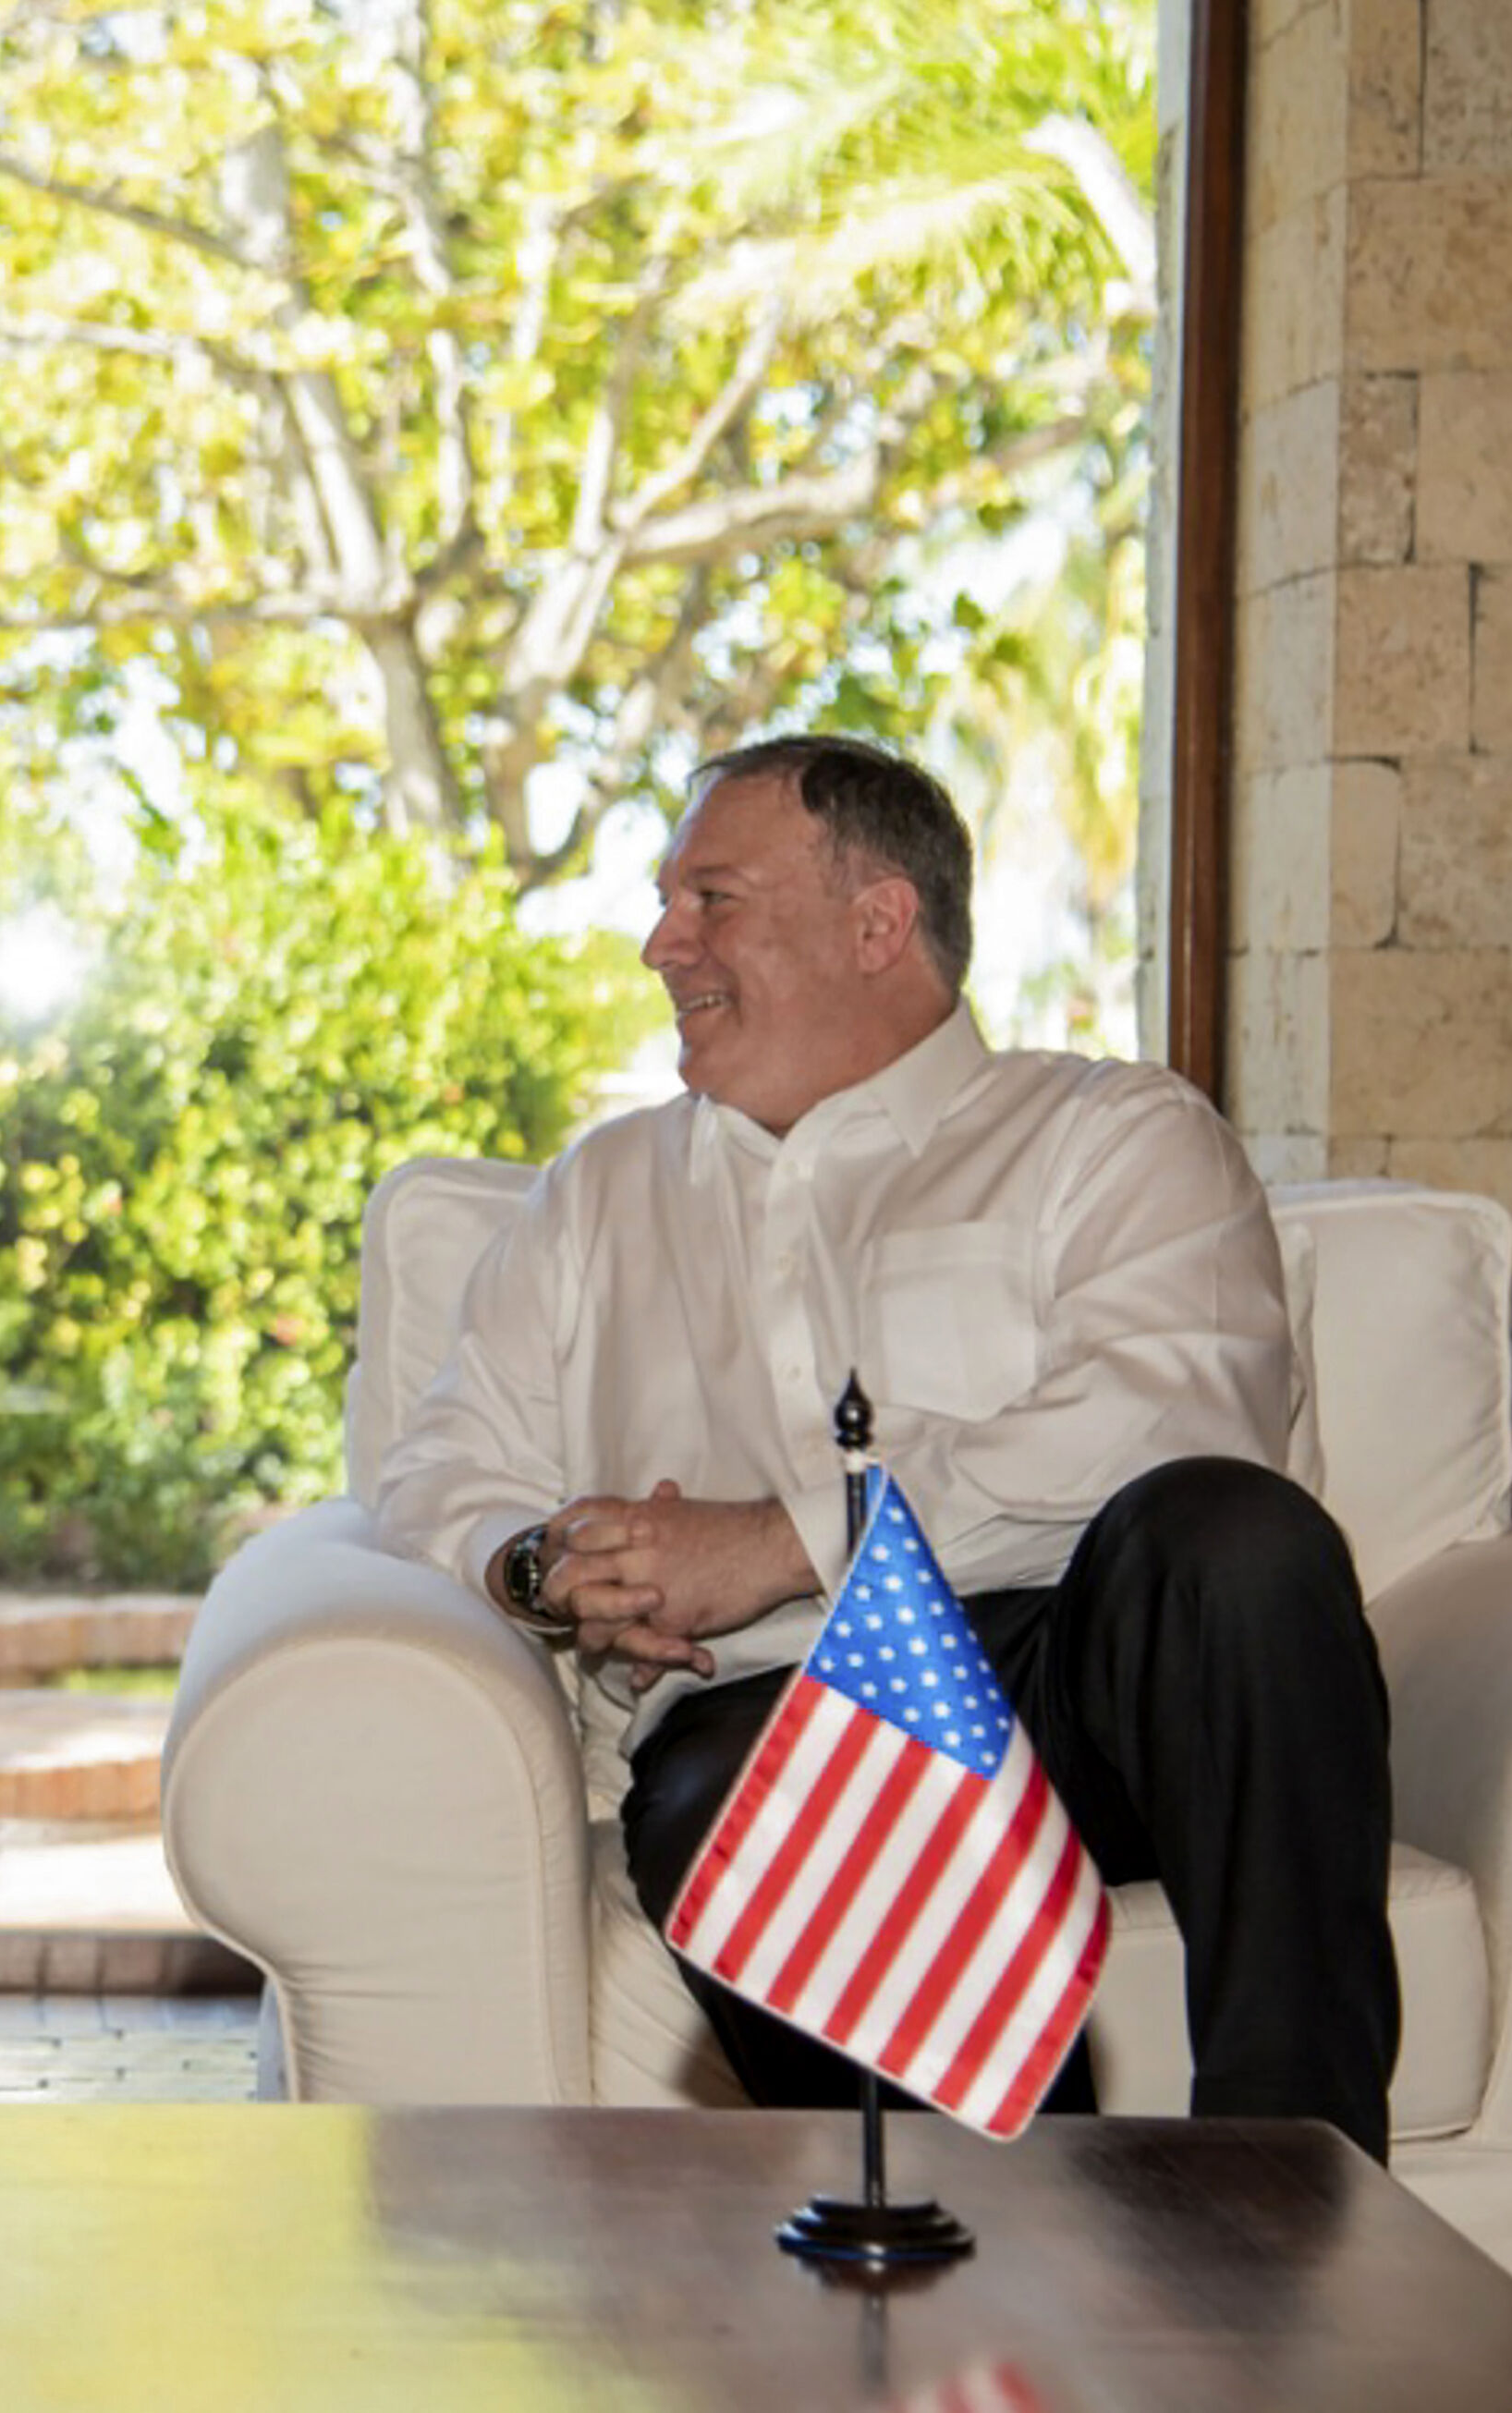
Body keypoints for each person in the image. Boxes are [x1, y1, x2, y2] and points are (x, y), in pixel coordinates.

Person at [372, 733, 1397, 2158]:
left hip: (1073, 1686)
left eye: (711, 899)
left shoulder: (1109, 1136)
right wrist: (543, 1568)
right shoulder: (595, 1197)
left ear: (877, 923)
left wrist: (779, 1542)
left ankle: (1299, 2195)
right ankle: (1021, 2245)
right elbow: (437, 1473)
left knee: (1240, 1539)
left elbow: (1177, 1412)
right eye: (666, 905)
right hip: (761, 1710)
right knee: (754, 1807)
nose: (663, 944)